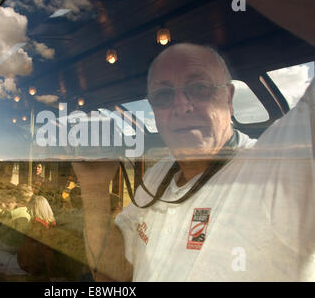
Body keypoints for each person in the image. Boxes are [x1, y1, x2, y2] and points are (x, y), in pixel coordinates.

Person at [73, 42, 314, 280]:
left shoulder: (274, 168)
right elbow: (115, 273)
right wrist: (94, 187)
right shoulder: (158, 175)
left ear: (229, 98)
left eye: (199, 88)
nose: (181, 106)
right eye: (163, 95)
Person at [17, 196, 58, 280]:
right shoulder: (51, 223)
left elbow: (34, 251)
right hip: (37, 267)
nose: (27, 210)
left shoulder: (37, 225)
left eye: (29, 208)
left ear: (35, 209)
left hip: (26, 267)